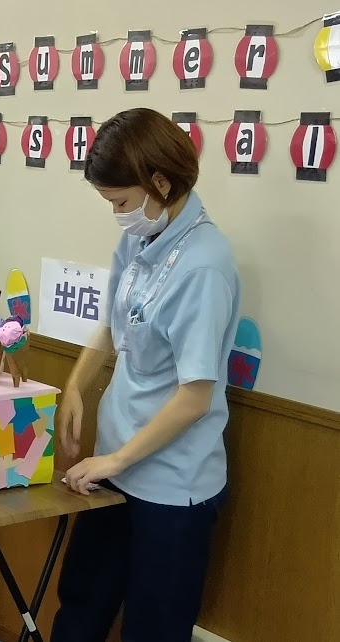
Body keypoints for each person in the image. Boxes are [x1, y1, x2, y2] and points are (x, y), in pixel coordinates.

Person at [51, 108, 241, 642]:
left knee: (153, 628)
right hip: (113, 464)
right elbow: (111, 326)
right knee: (81, 606)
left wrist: (115, 459)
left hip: (171, 484)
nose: (118, 215)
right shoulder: (141, 238)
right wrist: (75, 386)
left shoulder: (205, 264)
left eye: (121, 202)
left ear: (161, 181)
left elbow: (195, 397)